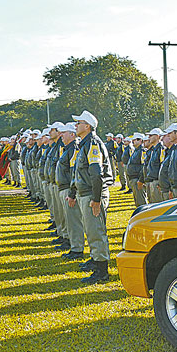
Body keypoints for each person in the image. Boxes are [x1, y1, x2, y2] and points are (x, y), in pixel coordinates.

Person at [69, 110, 113, 284]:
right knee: (91, 230)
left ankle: (102, 271)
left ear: (87, 126)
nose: (76, 125)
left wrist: (96, 199)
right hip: (85, 193)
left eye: (78, 122)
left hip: (92, 194)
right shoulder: (84, 143)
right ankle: (96, 261)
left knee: (96, 232)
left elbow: (96, 174)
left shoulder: (92, 143)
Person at [56, 122, 86, 260]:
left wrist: (72, 192)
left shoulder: (73, 148)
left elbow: (74, 171)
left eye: (64, 133)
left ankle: (77, 249)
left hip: (69, 188)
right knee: (69, 219)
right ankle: (73, 246)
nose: (61, 135)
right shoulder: (66, 148)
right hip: (65, 187)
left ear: (72, 134)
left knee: (74, 220)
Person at [144, 128, 165, 203]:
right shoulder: (154, 149)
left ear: (157, 136)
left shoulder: (161, 149)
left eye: (150, 135)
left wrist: (160, 183)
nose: (149, 137)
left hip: (157, 182)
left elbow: (162, 167)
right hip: (152, 181)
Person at [127, 132, 147, 207]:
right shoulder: (136, 150)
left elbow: (143, 166)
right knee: (137, 201)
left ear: (140, 140)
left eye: (135, 140)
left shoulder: (142, 151)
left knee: (141, 201)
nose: (133, 141)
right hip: (133, 178)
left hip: (137, 179)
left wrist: (140, 180)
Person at [157, 129, 174, 200]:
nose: (162, 139)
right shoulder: (168, 151)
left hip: (169, 190)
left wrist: (171, 189)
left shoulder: (175, 150)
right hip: (165, 188)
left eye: (164, 136)